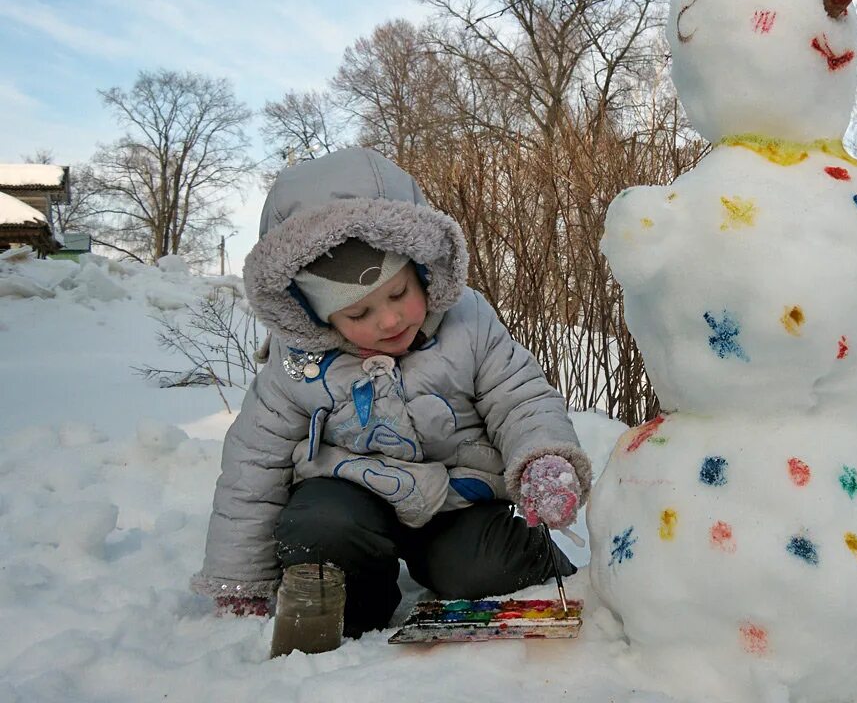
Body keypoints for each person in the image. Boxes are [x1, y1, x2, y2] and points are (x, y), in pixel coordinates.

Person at [191, 147, 590, 637]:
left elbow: (519, 398)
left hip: (457, 499)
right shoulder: (297, 365)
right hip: (351, 499)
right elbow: (253, 465)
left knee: (476, 570)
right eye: (358, 315)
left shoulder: (469, 322)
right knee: (318, 528)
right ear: (317, 318)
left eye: (399, 294)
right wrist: (241, 580)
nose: (389, 320)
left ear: (422, 268)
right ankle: (359, 604)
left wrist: (541, 459)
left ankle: (526, 563)